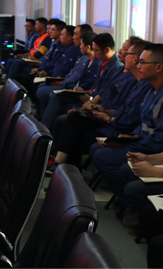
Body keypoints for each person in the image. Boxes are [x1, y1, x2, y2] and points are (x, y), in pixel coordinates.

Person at [46, 40, 151, 175]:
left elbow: (132, 118)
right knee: (71, 121)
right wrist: (102, 110)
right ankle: (64, 172)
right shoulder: (126, 75)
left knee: (75, 132)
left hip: (119, 128)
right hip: (111, 119)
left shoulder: (143, 85)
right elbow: (112, 100)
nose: (121, 53)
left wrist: (107, 117)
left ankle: (64, 171)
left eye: (126, 52)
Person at [91, 43, 163, 224]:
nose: (139, 65)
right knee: (99, 149)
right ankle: (130, 202)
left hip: (153, 148)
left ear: (159, 67)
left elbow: (159, 139)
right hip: (142, 141)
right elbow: (142, 122)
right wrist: (130, 137)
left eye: (143, 62)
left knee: (104, 157)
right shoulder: (151, 89)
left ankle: (132, 205)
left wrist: (132, 143)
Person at [41, 33, 123, 131]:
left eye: (96, 50)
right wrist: (85, 92)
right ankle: (43, 130)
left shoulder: (116, 67)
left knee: (60, 118)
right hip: (90, 97)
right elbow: (97, 87)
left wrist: (89, 99)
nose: (94, 53)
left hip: (98, 106)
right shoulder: (104, 62)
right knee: (55, 96)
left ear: (106, 50)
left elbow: (105, 94)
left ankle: (44, 132)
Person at [36, 31, 100, 117]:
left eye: (81, 44)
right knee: (46, 91)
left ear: (88, 47)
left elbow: (85, 82)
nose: (80, 47)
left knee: (50, 95)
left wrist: (64, 83)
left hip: (81, 93)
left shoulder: (95, 63)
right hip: (75, 89)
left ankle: (44, 123)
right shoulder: (87, 60)